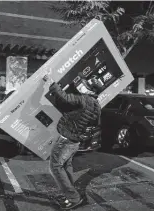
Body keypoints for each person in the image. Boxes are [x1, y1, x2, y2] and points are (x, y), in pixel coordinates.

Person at [42, 74, 102, 210]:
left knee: (55, 167)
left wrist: (52, 83)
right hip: (75, 141)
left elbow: (64, 97)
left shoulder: (85, 100)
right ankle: (70, 194)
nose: (83, 87)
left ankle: (73, 198)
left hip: (67, 139)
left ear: (91, 91)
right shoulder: (97, 105)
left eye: (86, 86)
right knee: (65, 165)